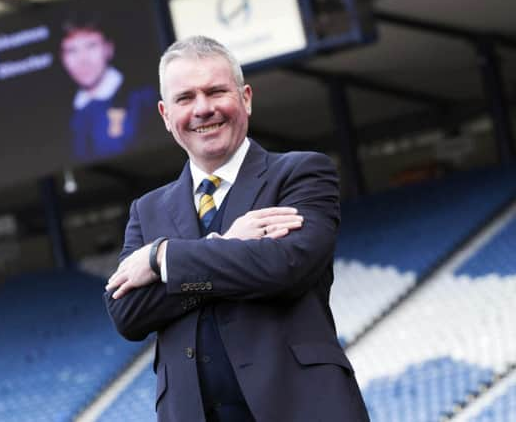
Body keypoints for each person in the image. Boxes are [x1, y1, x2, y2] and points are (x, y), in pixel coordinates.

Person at [104, 35, 369, 422]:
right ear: (165, 114)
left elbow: (285, 267)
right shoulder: (147, 210)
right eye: (185, 98)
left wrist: (163, 258)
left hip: (302, 408)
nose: (203, 109)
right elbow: (126, 312)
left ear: (245, 97)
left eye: (215, 92)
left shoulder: (300, 173)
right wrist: (226, 245)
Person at [60, 14, 155, 161]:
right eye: (72, 50)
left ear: (108, 49)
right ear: (62, 58)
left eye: (91, 46)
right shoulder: (62, 113)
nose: (82, 59)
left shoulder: (143, 97)